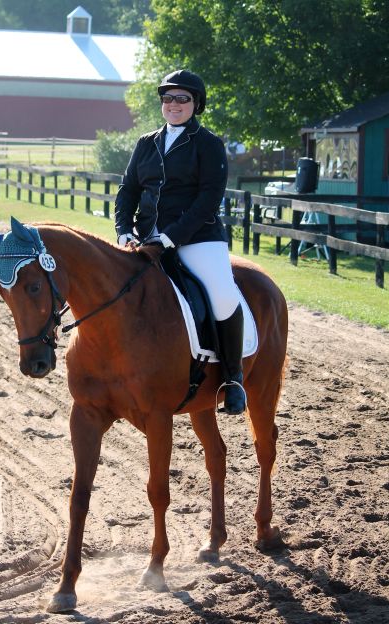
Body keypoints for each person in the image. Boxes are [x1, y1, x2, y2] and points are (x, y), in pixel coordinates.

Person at [114, 69, 246, 415]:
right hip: (145, 238)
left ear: (196, 104)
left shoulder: (209, 144)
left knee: (221, 293)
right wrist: (124, 229)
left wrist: (170, 238)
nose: (174, 105)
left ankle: (233, 378)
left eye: (182, 99)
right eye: (168, 98)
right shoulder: (146, 143)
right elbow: (128, 190)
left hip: (198, 239)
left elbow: (208, 200)